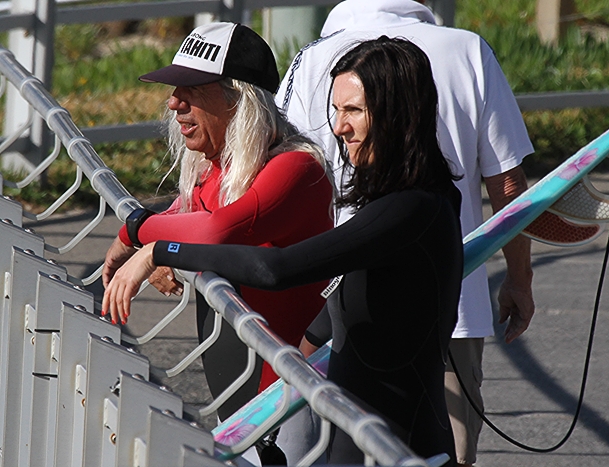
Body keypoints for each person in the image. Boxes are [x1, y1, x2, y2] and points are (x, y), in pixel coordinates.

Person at [103, 36, 463, 465]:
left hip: (400, 449)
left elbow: (278, 268)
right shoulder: (398, 205)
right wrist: (295, 376)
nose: (338, 127)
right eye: (335, 110)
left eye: (353, 111)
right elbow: (344, 300)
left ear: (397, 115)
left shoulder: (411, 208)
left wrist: (160, 252)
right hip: (352, 437)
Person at [275, 1, 535, 464]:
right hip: (446, 302)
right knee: (442, 449)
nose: (341, 126)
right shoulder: (467, 50)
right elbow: (507, 183)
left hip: (340, 304)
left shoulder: (312, 58)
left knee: (339, 448)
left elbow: (281, 175)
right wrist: (519, 278)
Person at [101, 22, 334, 421]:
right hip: (244, 401)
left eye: (191, 90)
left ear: (239, 100)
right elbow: (181, 221)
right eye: (175, 90)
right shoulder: (215, 167)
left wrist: (137, 233)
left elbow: (214, 231)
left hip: (294, 400)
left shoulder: (296, 168)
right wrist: (159, 247)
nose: (174, 103)